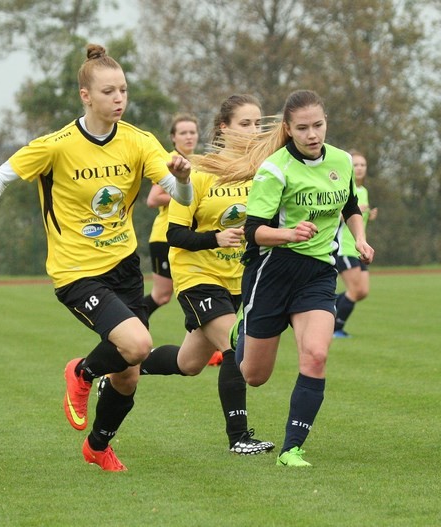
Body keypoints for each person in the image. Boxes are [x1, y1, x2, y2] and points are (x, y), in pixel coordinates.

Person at [0, 44, 193, 471]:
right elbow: (0, 177)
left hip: (124, 265)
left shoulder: (139, 141)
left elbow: (180, 196)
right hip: (76, 272)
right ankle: (82, 371)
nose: (119, 99)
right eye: (108, 92)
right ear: (85, 96)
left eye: (123, 90)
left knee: (129, 372)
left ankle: (98, 447)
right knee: (138, 344)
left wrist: (184, 179)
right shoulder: (56, 146)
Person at [194, 89, 374, 467]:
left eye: (318, 125)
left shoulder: (340, 160)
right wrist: (290, 234)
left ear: (326, 123)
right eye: (303, 128)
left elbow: (350, 206)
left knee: (317, 355)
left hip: (317, 274)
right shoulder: (274, 169)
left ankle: (292, 449)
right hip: (272, 272)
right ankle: (241, 329)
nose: (313, 134)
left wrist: (359, 238)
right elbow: (254, 231)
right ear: (289, 129)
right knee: (254, 375)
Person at [137, 94, 274, 455]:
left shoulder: (262, 172)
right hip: (196, 274)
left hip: (236, 277)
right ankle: (239, 438)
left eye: (258, 124)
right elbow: (175, 234)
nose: (253, 131)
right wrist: (216, 237)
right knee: (235, 345)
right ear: (223, 128)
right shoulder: (197, 171)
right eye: (245, 124)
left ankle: (121, 370)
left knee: (189, 363)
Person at [141, 114, 199, 319]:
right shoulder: (169, 160)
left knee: (197, 289)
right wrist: (189, 196)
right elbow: (153, 199)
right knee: (162, 295)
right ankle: (126, 325)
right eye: (183, 133)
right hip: (165, 236)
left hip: (188, 237)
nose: (189, 137)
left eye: (192, 132)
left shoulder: (199, 162)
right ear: (173, 137)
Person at [332, 150, 378, 338]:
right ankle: (336, 329)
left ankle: (327, 304)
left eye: (362, 165)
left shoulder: (363, 191)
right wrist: (355, 210)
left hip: (359, 248)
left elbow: (359, 221)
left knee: (362, 291)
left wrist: (369, 216)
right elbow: (335, 218)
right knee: (355, 290)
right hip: (344, 248)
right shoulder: (342, 187)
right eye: (355, 165)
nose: (359, 168)